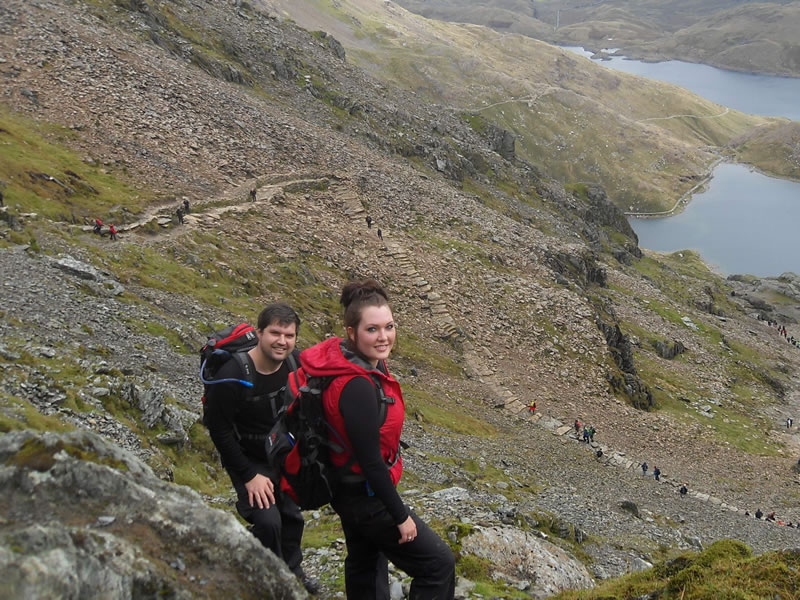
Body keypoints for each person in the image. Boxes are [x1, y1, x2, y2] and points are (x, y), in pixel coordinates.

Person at [299, 279, 455, 599]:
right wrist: (401, 517)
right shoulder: (356, 386)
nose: (383, 336)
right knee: (437, 564)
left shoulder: (357, 362)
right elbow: (370, 462)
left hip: (349, 491)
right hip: (366, 498)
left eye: (389, 326)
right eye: (372, 329)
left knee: (366, 564)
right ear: (352, 332)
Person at [203, 303, 316, 593]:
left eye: (289, 335)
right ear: (259, 333)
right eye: (275, 333)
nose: (282, 341)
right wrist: (249, 475)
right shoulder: (232, 374)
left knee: (291, 515)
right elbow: (219, 430)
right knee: (268, 522)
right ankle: (263, 580)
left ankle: (292, 573)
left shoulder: (295, 363)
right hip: (247, 459)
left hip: (282, 453)